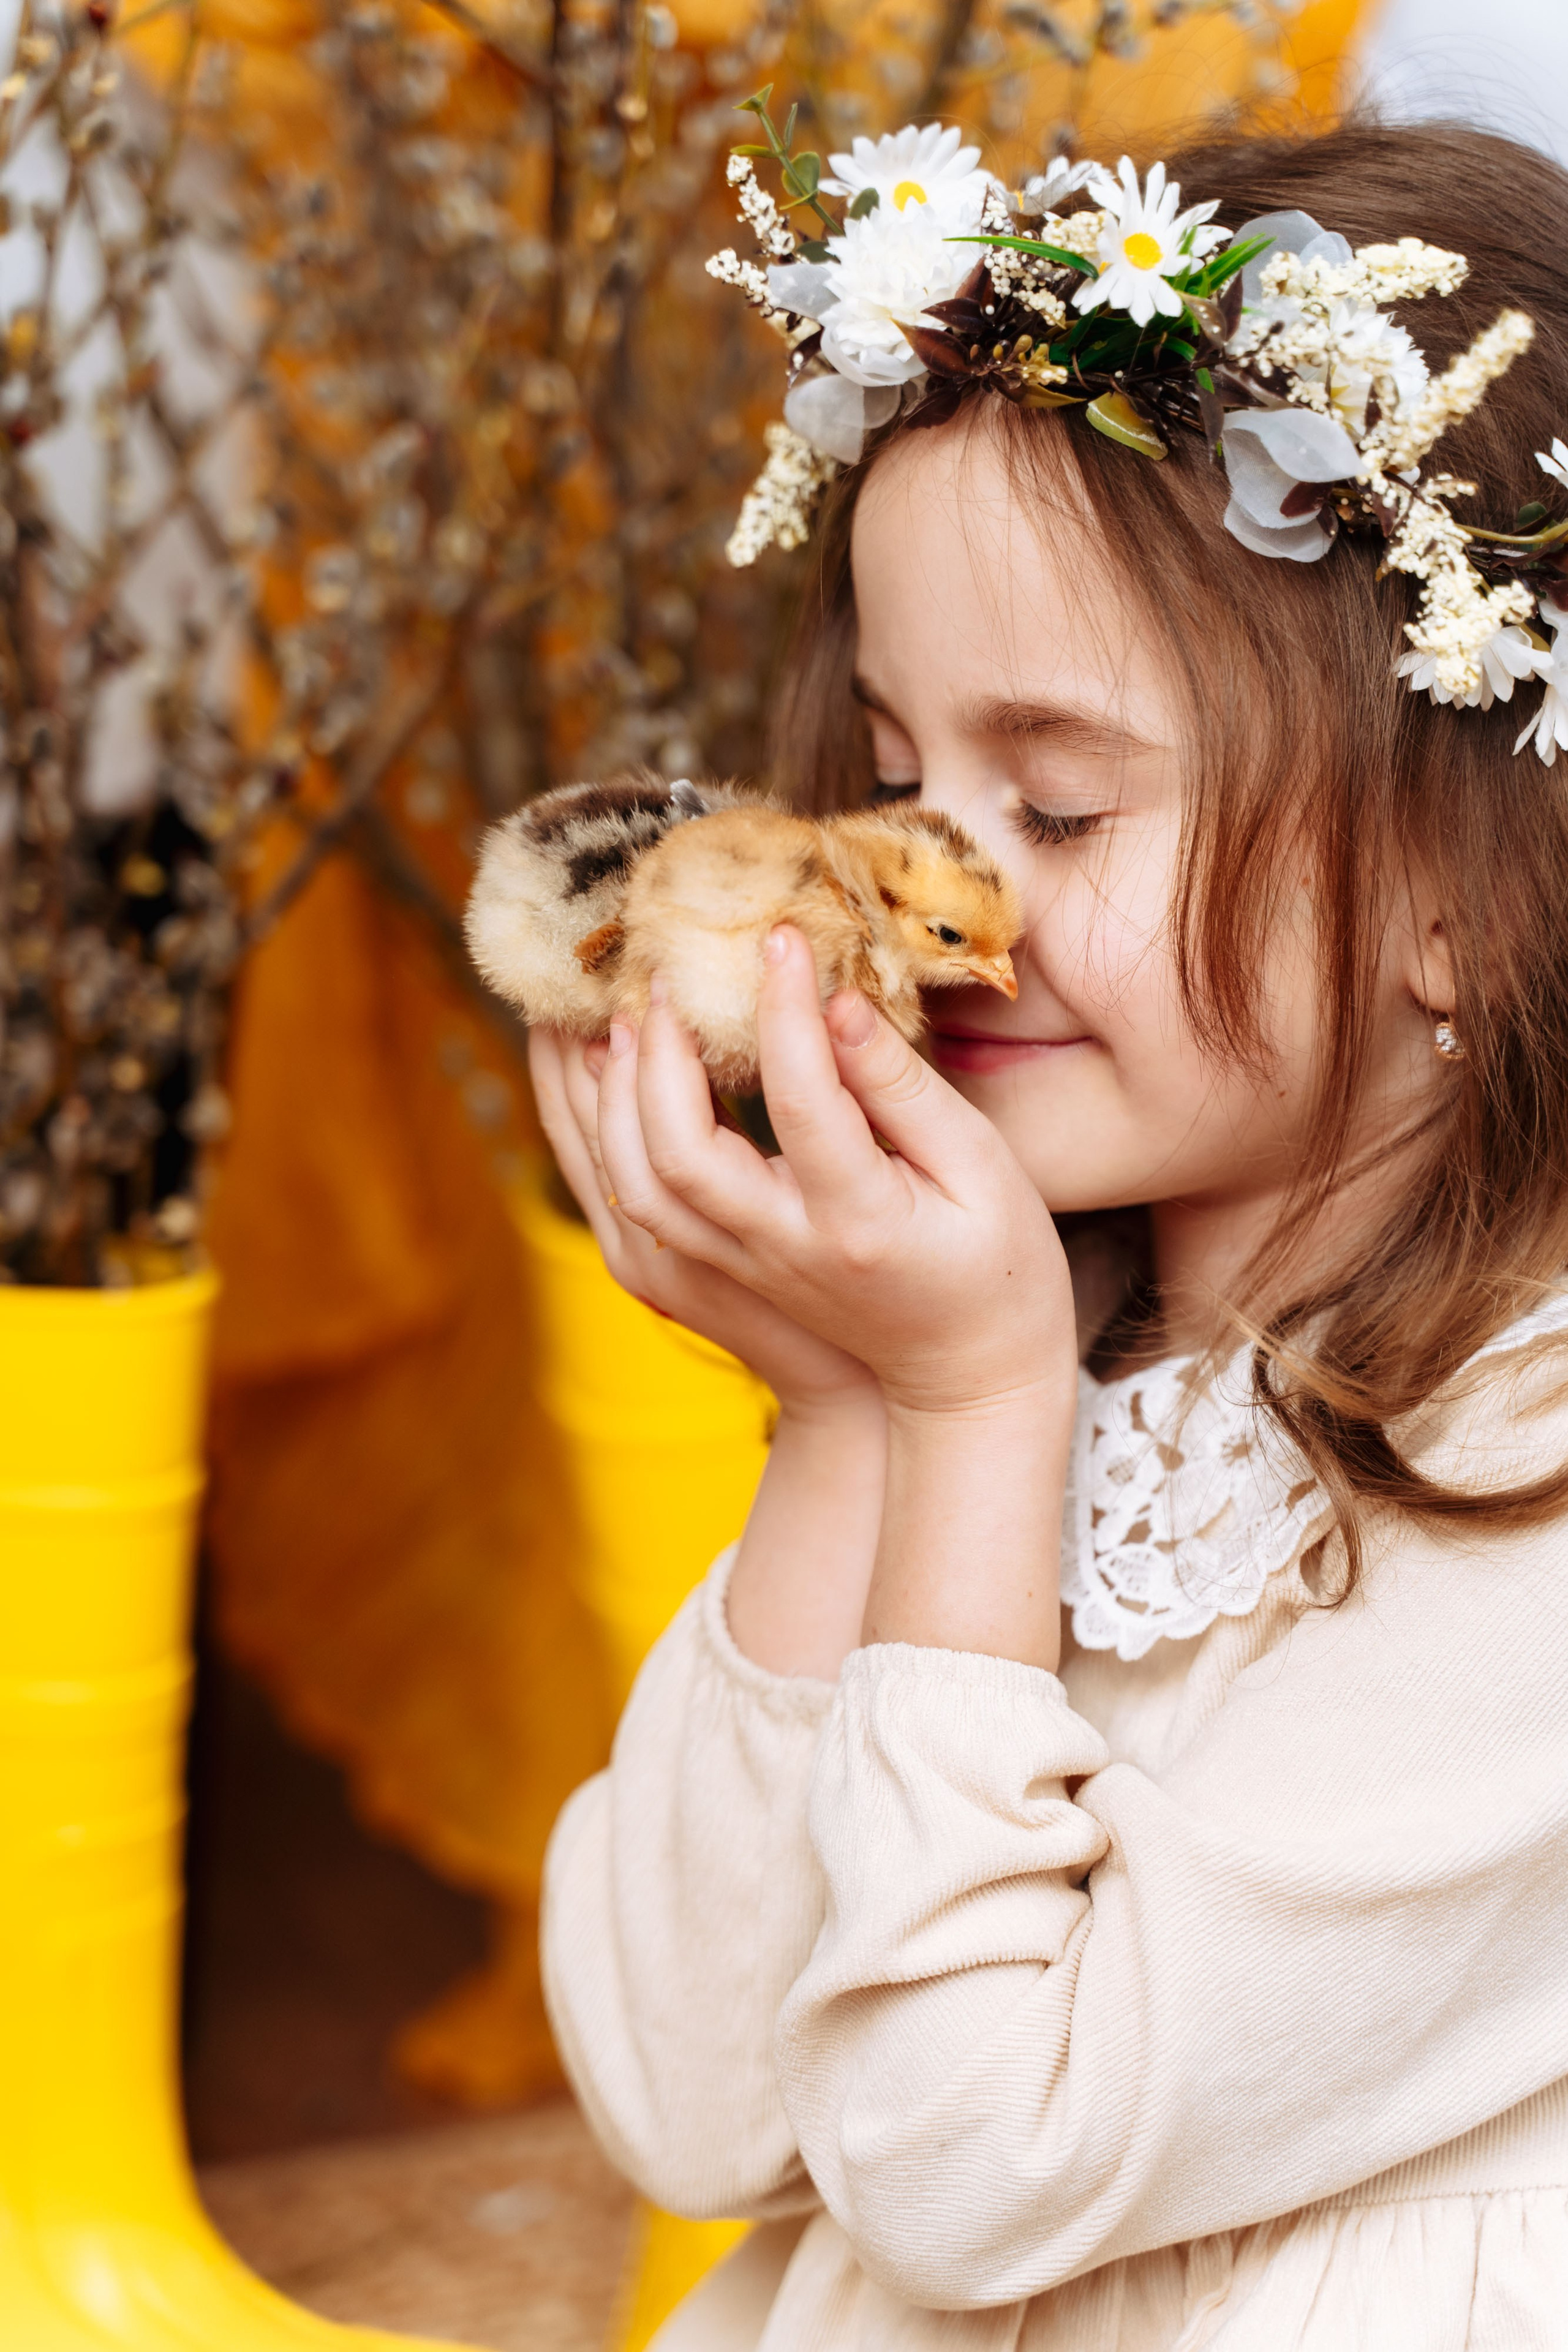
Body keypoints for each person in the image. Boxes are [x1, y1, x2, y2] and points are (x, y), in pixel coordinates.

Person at [529, 116, 1568, 2348]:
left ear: (1476, 905)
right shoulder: (1034, 1340)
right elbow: (693, 2106)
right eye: (901, 773)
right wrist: (842, 1424)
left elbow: (970, 2169)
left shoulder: (1533, 1475)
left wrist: (964, 1405)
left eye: (1062, 801)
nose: (939, 894)